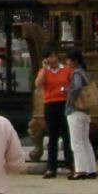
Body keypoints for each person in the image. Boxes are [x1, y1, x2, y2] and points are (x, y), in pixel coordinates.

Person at [34, 49, 72, 179]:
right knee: (52, 136)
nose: (52, 59)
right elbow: (38, 84)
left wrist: (66, 90)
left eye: (54, 56)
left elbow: (72, 85)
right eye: (49, 57)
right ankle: (51, 167)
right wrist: (44, 70)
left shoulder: (66, 70)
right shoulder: (44, 71)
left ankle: (69, 164)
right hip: (50, 104)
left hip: (64, 102)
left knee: (67, 135)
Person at [64, 49, 97, 181]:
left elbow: (76, 87)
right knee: (85, 141)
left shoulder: (76, 73)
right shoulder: (86, 73)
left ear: (74, 61)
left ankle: (80, 169)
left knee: (76, 142)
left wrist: (68, 93)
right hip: (85, 111)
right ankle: (91, 168)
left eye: (68, 60)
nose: (67, 63)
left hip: (75, 110)